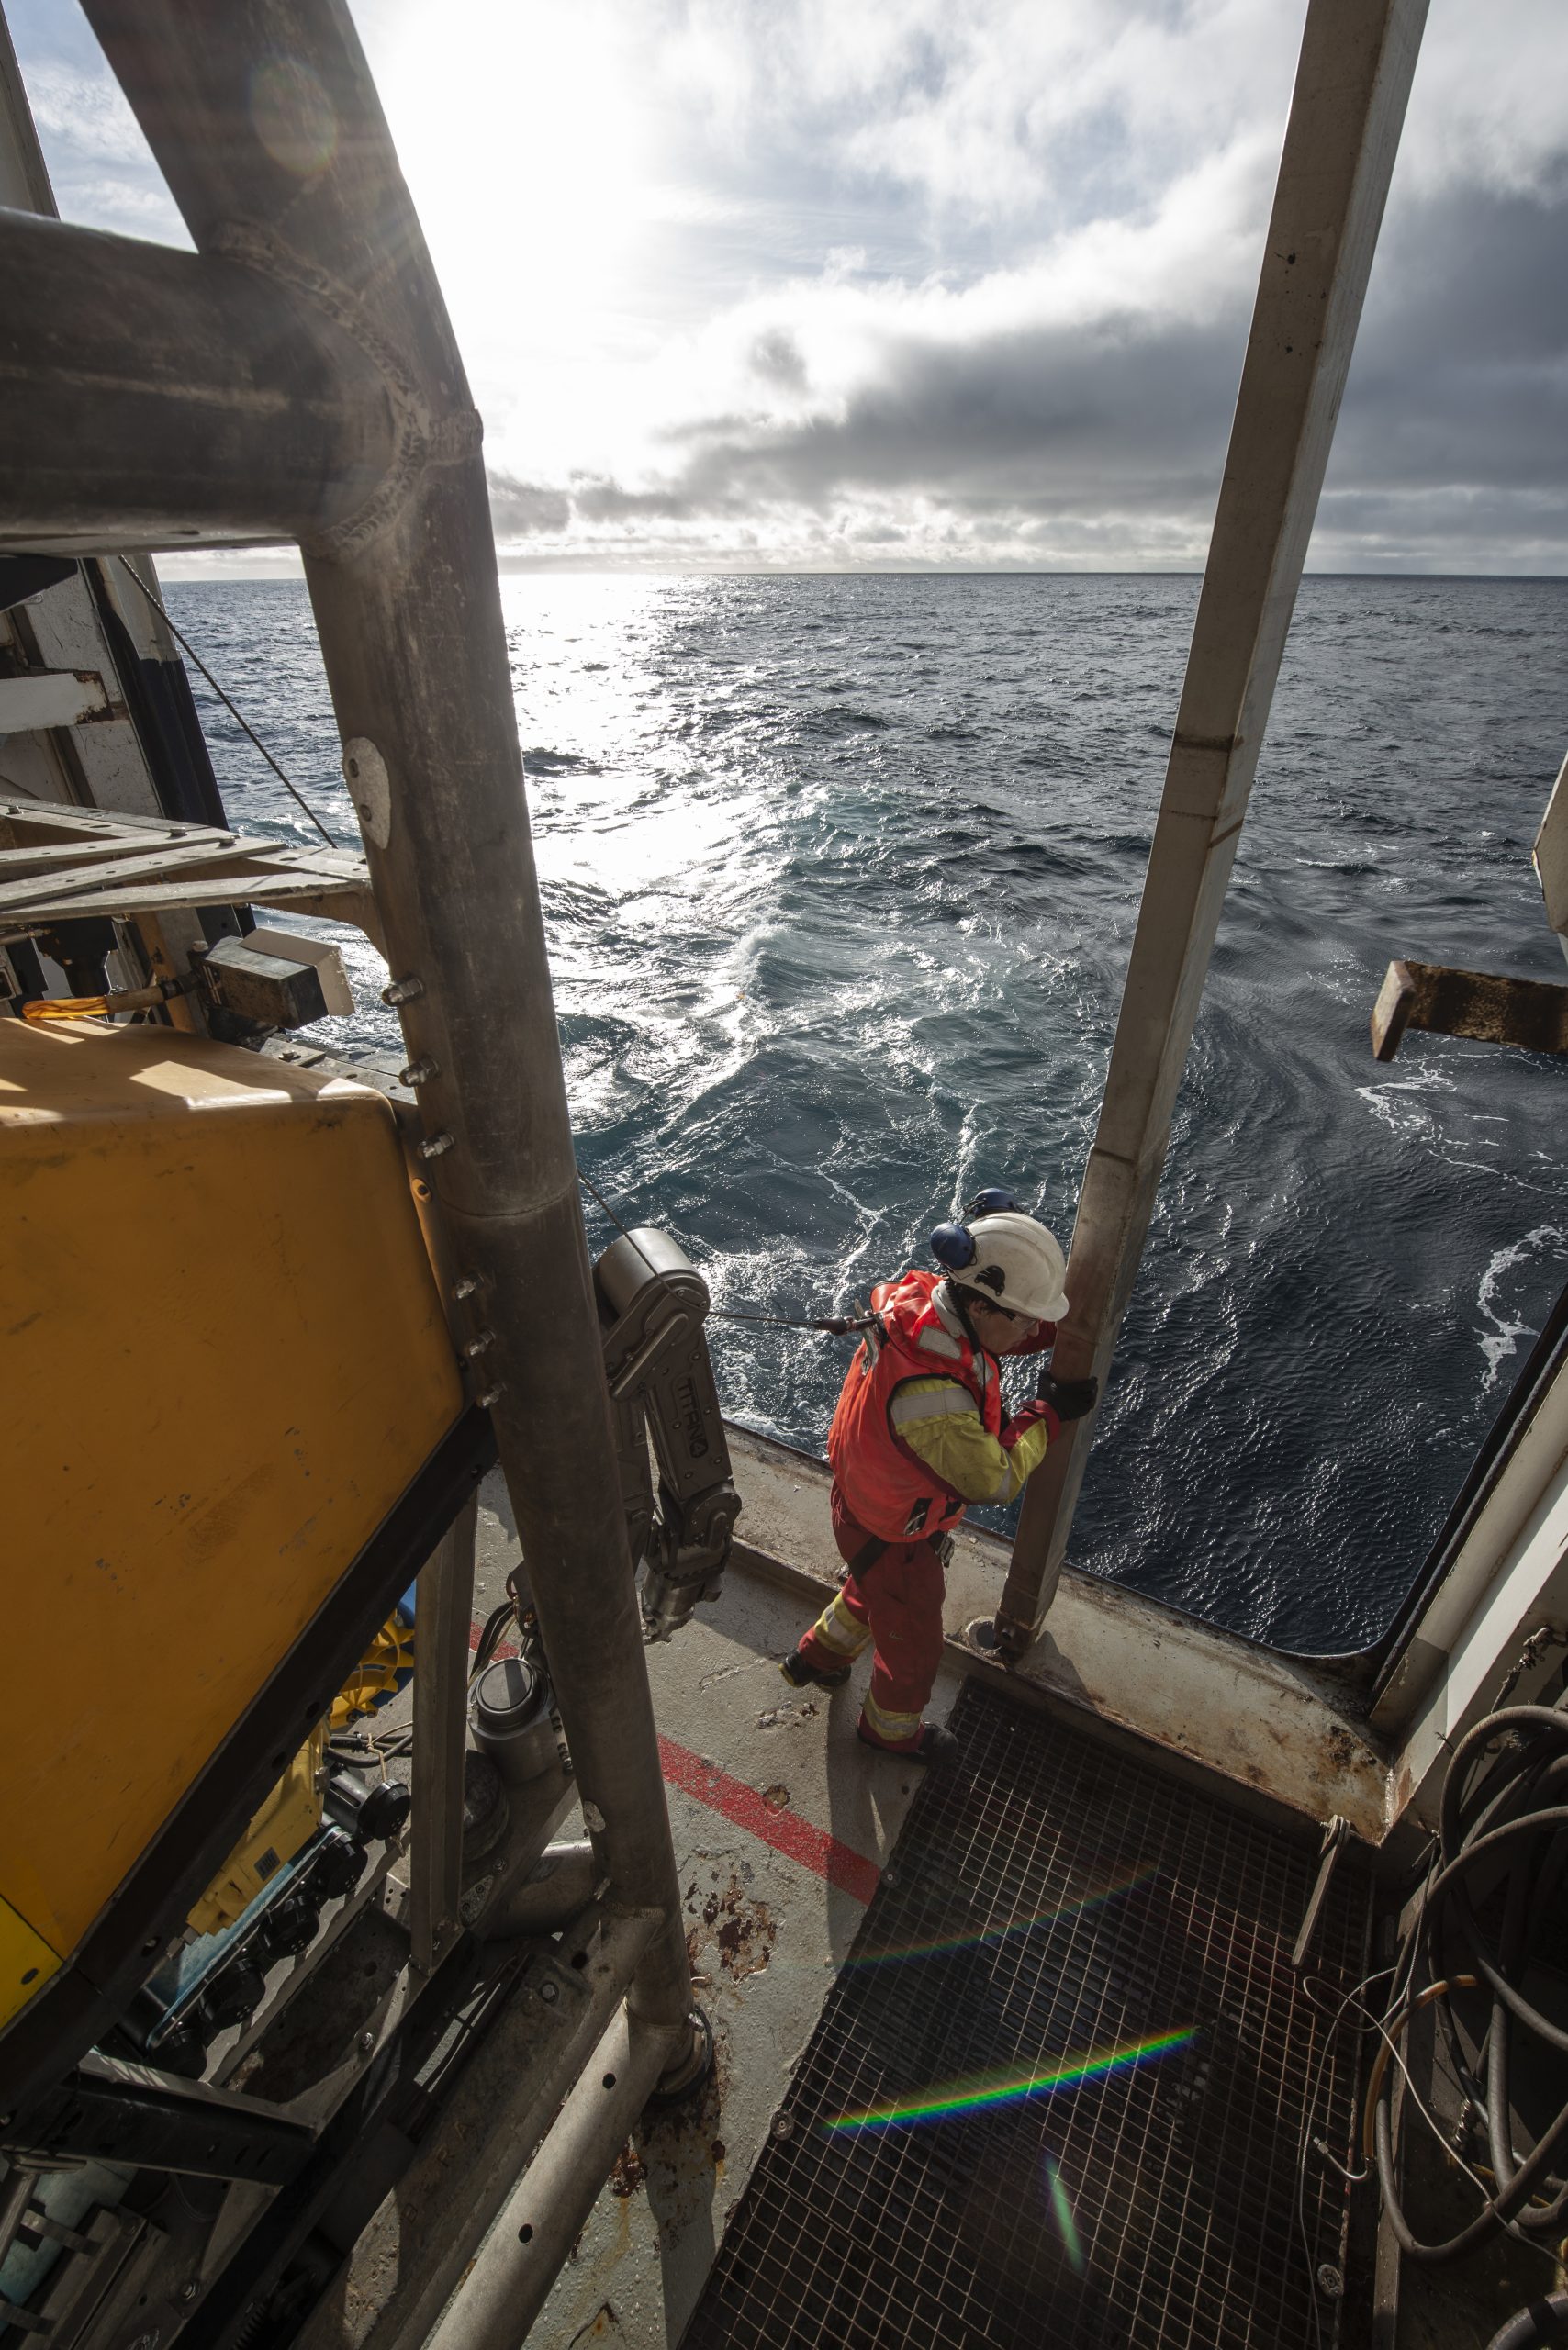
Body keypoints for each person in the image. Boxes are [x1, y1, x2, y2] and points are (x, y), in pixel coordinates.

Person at [782, 1193, 1098, 1765]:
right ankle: (888, 1732)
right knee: (912, 1645)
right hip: (895, 1536)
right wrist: (1047, 1412)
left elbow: (988, 1334)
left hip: (864, 1508)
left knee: (871, 1590)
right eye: (1025, 1317)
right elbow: (994, 1479)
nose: (1032, 1328)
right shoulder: (933, 1402)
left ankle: (816, 1659)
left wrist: (1044, 1322)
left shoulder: (924, 1303)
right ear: (980, 1306)